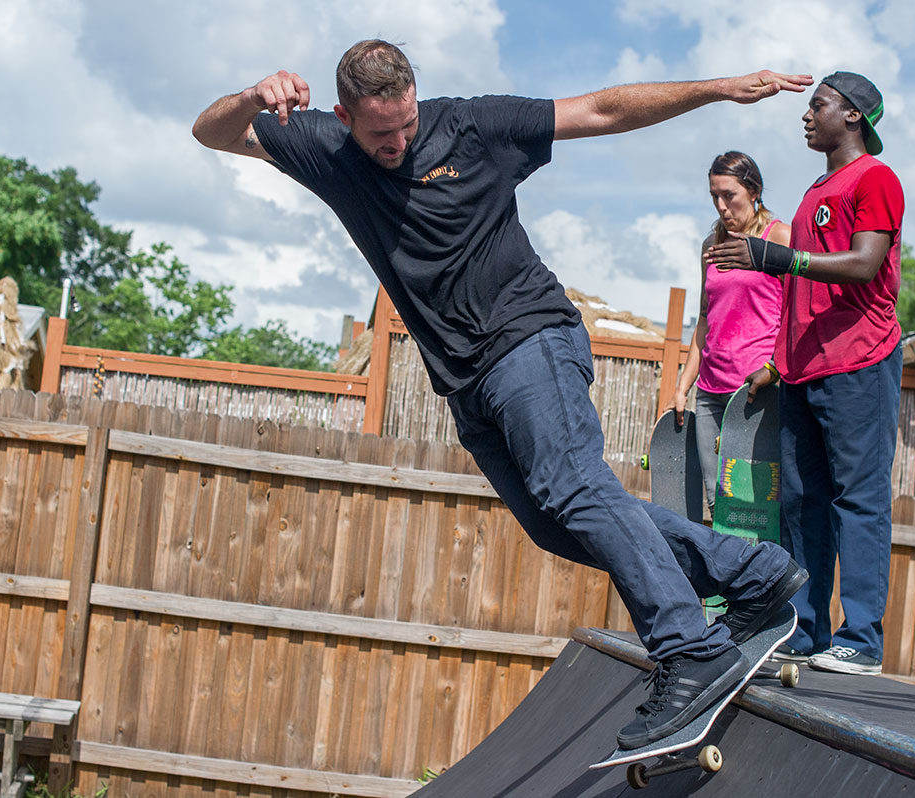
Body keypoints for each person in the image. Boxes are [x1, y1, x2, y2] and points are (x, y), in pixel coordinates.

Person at [193, 40, 812, 747]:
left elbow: (603, 109)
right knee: (556, 523)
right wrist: (251, 95)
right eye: (378, 134)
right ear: (344, 117)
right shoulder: (325, 148)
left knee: (576, 488)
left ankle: (689, 646)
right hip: (464, 381)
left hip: (530, 341)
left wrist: (721, 87)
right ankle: (752, 572)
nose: (395, 144)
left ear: (415, 99)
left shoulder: (474, 125)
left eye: (404, 125)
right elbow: (211, 132)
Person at [705, 72, 903, 676]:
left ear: (853, 116)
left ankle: (862, 639)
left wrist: (779, 256)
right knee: (801, 501)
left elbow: (867, 264)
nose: (806, 115)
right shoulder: (818, 188)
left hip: (861, 360)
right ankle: (808, 629)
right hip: (803, 368)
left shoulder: (876, 178)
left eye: (818, 105)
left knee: (858, 500)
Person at [670, 152, 790, 513]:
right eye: (714, 197)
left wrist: (773, 369)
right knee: (716, 502)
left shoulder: (780, 236)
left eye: (729, 195)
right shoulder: (711, 246)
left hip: (755, 393)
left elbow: (794, 316)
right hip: (709, 392)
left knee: (750, 507)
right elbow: (704, 319)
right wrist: (682, 386)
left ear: (754, 191)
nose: (722, 206)